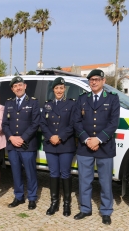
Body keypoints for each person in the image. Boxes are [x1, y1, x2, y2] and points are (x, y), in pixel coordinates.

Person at [73, 69, 120, 225]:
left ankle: (106, 211)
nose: (93, 82)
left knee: (105, 181)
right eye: (91, 79)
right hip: (84, 146)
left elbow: (114, 123)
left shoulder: (112, 99)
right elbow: (76, 122)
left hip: (104, 147)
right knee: (84, 181)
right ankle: (85, 209)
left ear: (103, 81)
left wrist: (98, 139)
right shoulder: (82, 99)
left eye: (97, 79)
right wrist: (87, 139)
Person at [2, 76, 40, 210]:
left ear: (25, 86)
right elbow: (4, 124)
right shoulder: (9, 103)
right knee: (16, 172)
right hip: (13, 145)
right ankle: (18, 197)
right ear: (12, 89)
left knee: (30, 173)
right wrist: (12, 138)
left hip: (27, 144)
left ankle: (32, 198)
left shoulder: (34, 102)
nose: (18, 88)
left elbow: (35, 123)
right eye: (15, 86)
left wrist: (22, 138)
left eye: (20, 85)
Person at [40, 77, 76, 216]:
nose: (59, 90)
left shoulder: (72, 105)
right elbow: (43, 123)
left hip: (65, 144)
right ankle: (54, 202)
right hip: (51, 145)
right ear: (53, 90)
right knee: (53, 173)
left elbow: (73, 124)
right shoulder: (48, 105)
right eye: (56, 88)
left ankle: (67, 204)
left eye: (61, 88)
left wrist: (59, 137)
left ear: (64, 89)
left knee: (65, 173)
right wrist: (51, 137)